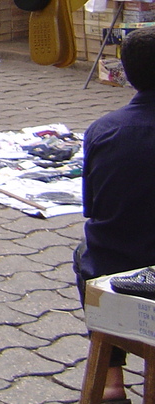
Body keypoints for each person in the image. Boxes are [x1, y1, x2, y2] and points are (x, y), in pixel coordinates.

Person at [76, 26, 155, 403]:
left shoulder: (102, 130)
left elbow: (94, 210)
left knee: (86, 253)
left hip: (118, 269)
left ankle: (111, 380)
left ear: (126, 75)